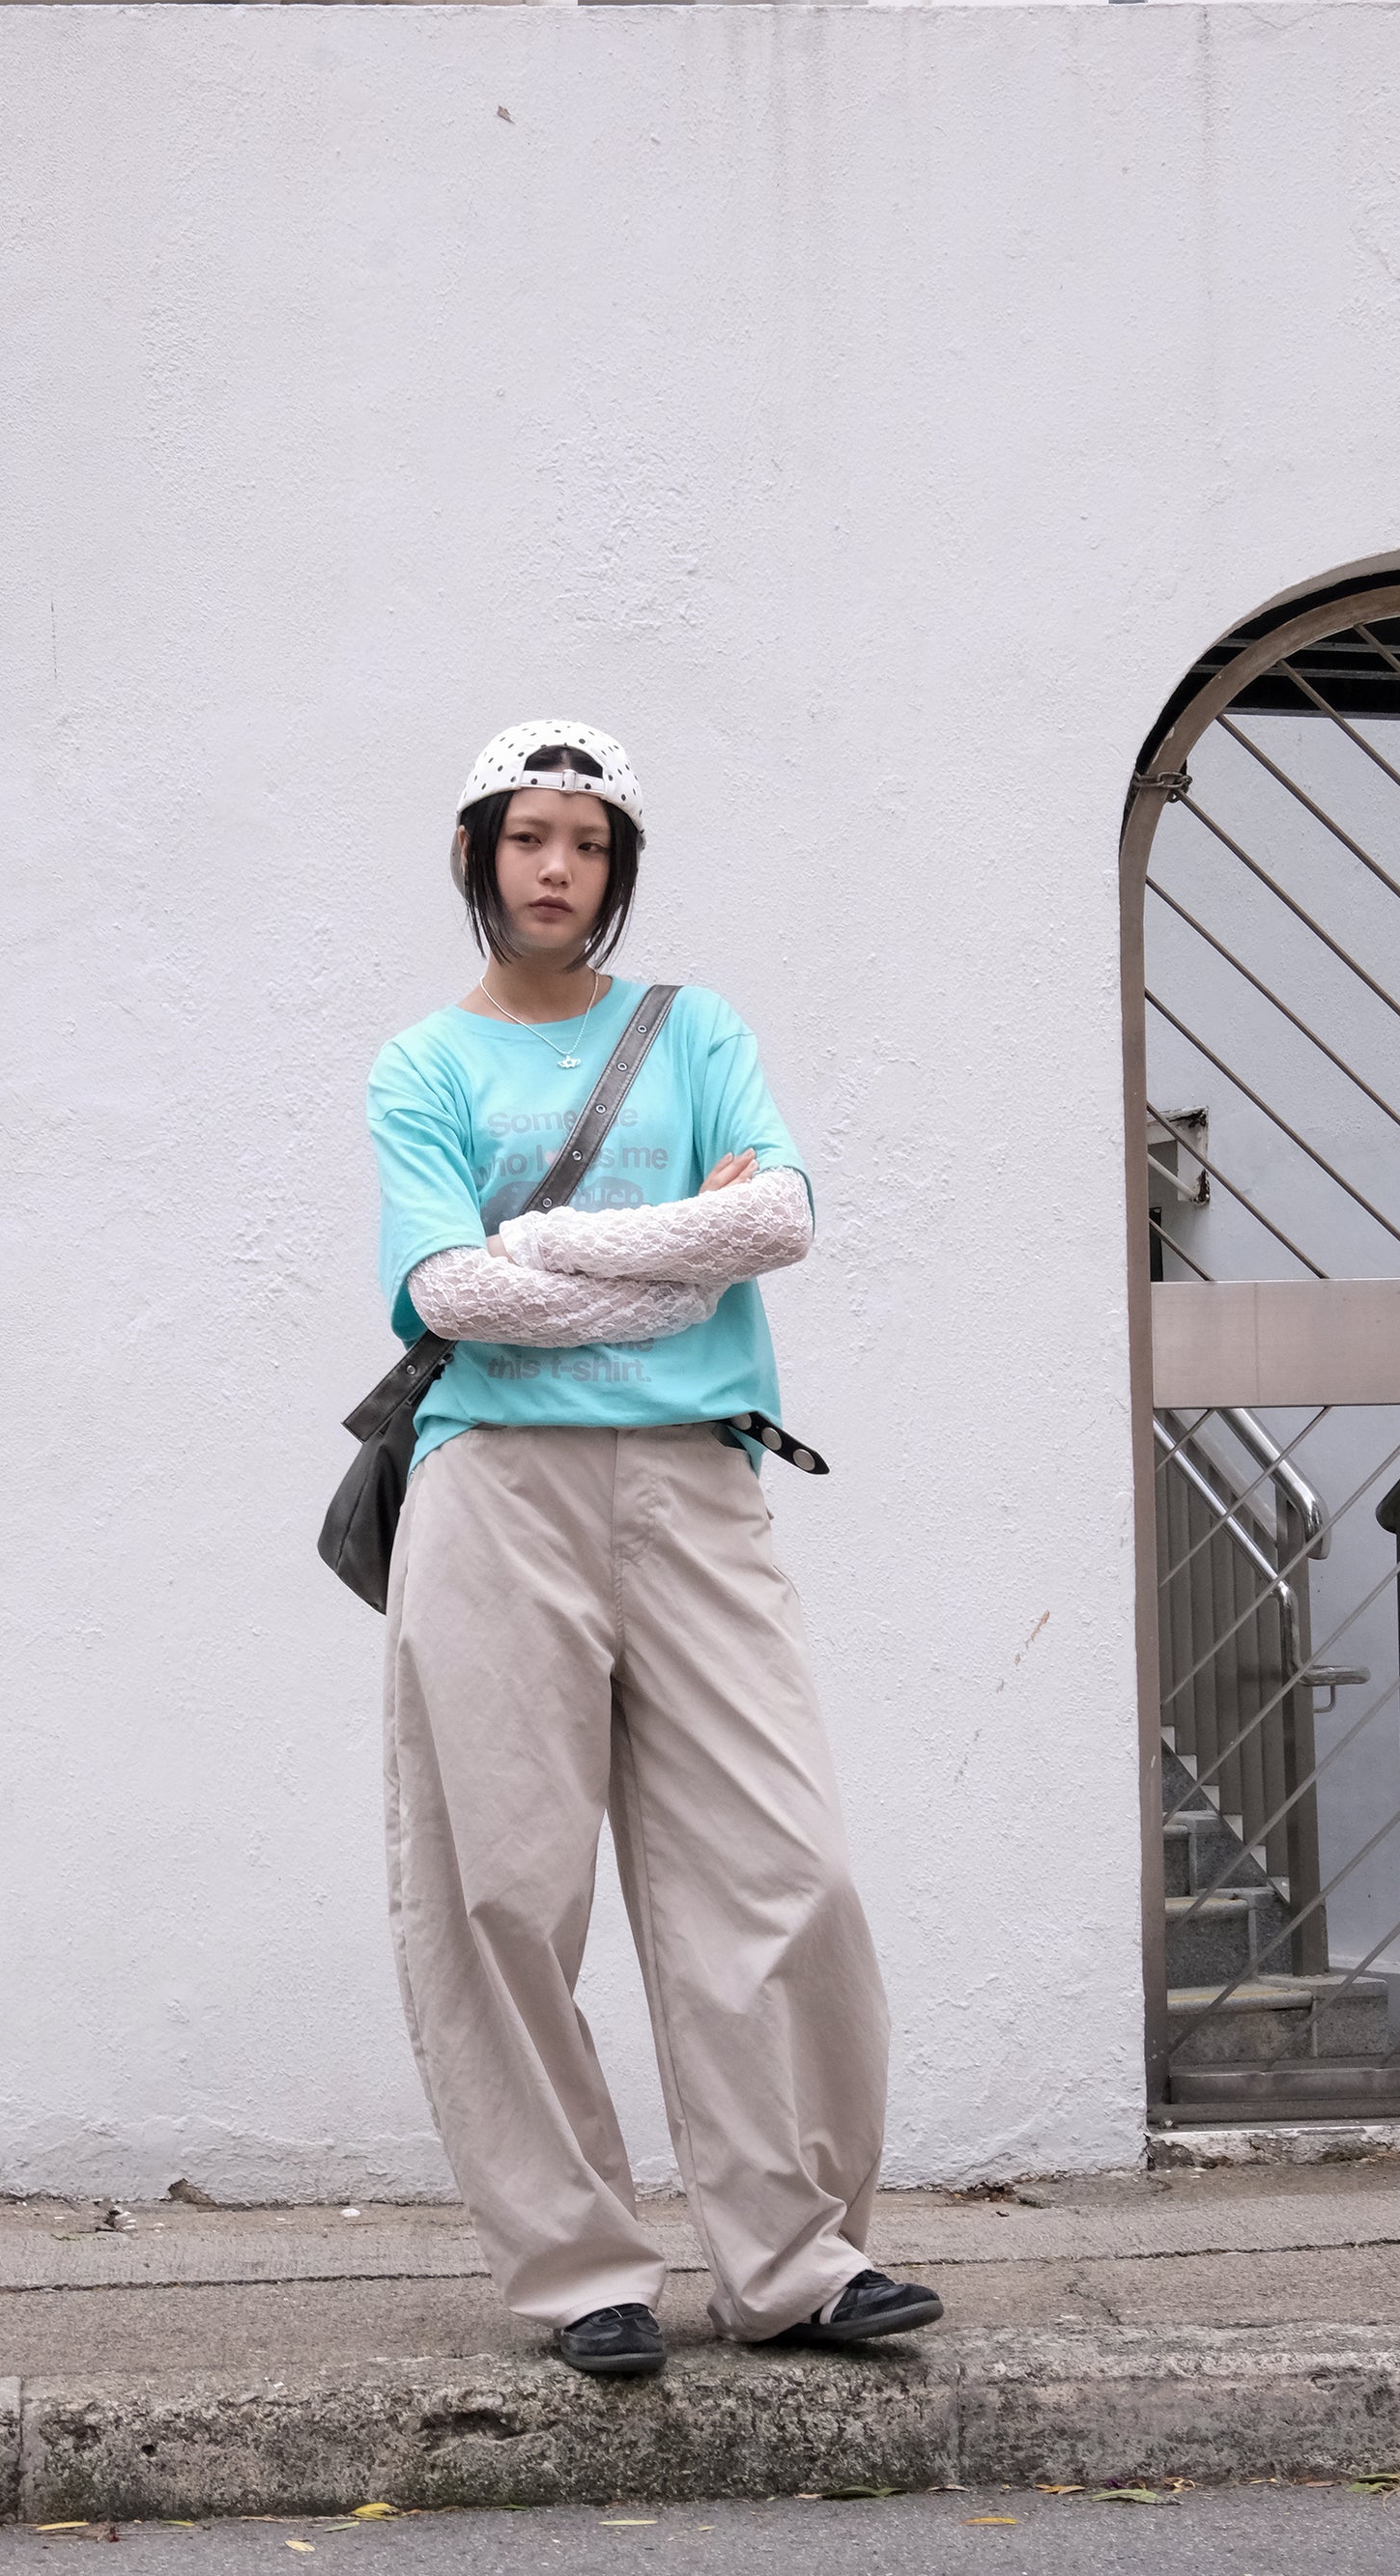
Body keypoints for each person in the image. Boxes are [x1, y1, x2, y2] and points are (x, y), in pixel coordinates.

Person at [366, 720, 941, 2378]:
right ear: (476, 852)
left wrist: (547, 1246)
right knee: (501, 1886)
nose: (557, 868)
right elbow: (448, 1293)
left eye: (589, 843)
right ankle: (577, 2270)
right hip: (495, 1491)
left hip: (698, 1482)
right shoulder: (421, 1067)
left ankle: (794, 2261)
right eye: (528, 836)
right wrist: (668, 1264)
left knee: (784, 1865)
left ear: (618, 868)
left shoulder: (694, 1032)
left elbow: (777, 1220)